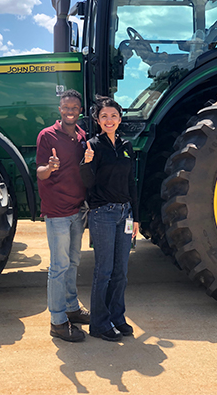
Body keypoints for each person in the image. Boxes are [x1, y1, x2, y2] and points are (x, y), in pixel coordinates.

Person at [80, 95, 139, 341]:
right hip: (103, 214)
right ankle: (99, 324)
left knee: (121, 272)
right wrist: (86, 163)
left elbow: (131, 183)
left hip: (125, 213)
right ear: (97, 120)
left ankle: (117, 317)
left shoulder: (126, 146)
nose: (109, 119)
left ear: (120, 118)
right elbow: (87, 184)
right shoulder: (93, 146)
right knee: (103, 271)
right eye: (104, 116)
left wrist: (136, 216)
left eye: (113, 115)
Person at [36, 89, 90, 342]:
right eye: (66, 107)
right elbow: (40, 172)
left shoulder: (81, 135)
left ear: (80, 110)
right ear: (60, 109)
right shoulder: (47, 135)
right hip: (57, 210)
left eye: (74, 108)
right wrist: (50, 167)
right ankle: (57, 321)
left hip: (76, 208)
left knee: (73, 262)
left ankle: (71, 307)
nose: (70, 112)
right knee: (58, 267)